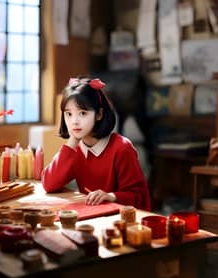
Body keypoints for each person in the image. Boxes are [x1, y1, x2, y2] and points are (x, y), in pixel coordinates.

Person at [41, 76, 151, 210]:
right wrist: (72, 141)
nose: (74, 121)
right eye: (68, 114)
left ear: (99, 114)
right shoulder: (74, 150)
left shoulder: (122, 148)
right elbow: (49, 184)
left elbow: (138, 197)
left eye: (82, 113)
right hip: (92, 218)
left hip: (122, 221)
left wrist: (111, 196)